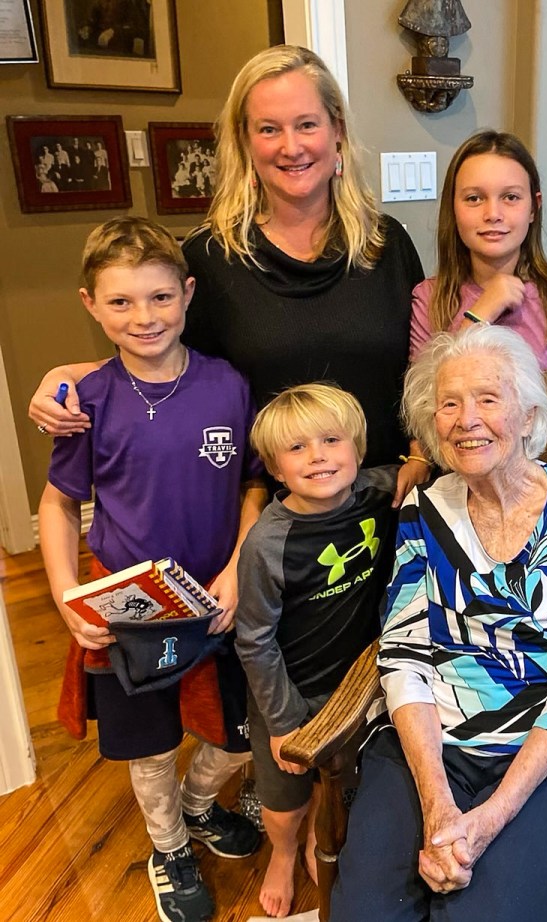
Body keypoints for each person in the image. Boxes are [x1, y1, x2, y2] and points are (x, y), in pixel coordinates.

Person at [330, 325, 547, 922]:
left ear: (529, 417)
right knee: (366, 914)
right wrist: (438, 803)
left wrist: (491, 817)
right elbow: (404, 654)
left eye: (488, 399)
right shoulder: (423, 510)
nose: (466, 419)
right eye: (449, 403)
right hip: (437, 741)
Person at [29, 45, 428, 505]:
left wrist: (419, 455)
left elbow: (420, 369)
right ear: (245, 140)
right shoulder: (210, 257)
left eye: (307, 124)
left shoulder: (386, 243)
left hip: (393, 499)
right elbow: (165, 364)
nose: (291, 146)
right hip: (270, 513)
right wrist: (67, 375)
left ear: (336, 129)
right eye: (269, 129)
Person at [38, 217, 267, 922]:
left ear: (188, 293)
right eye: (122, 301)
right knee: (151, 742)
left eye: (161, 297)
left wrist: (238, 567)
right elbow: (58, 502)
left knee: (237, 729)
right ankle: (168, 847)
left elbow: (253, 485)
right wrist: (68, 595)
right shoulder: (88, 400)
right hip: (128, 600)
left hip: (216, 593)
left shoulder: (227, 385)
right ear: (91, 305)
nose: (145, 317)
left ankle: (198, 806)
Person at [234, 383, 399, 918]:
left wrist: (417, 465)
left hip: (356, 684)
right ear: (275, 470)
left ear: (358, 448)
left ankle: (315, 837)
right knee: (285, 799)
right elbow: (254, 639)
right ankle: (284, 850)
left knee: (341, 781)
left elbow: (415, 472)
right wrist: (283, 721)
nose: (318, 456)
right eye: (297, 448)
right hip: (287, 690)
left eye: (331, 440)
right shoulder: (267, 544)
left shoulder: (380, 493)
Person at [410, 129, 547, 480]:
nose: (493, 213)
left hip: (543, 482)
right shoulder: (429, 299)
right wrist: (481, 312)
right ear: (453, 208)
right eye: (474, 198)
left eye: (511, 197)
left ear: (534, 207)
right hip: (454, 478)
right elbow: (426, 407)